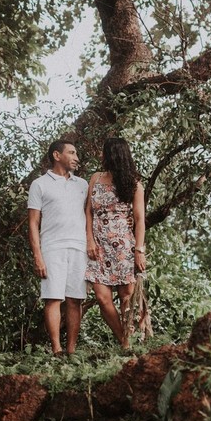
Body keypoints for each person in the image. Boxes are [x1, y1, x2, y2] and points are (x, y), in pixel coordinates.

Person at [27, 139, 89, 356]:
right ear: (56, 155)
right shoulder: (39, 184)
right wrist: (38, 255)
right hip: (52, 247)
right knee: (53, 297)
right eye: (71, 153)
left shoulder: (82, 184)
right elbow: (33, 223)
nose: (76, 158)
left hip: (79, 247)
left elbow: (92, 216)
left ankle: (71, 350)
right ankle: (56, 350)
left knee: (75, 299)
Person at [84, 137, 146, 350]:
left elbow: (139, 219)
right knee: (102, 298)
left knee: (126, 297)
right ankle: (124, 340)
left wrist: (139, 250)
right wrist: (89, 240)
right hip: (98, 246)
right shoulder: (96, 178)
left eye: (104, 152)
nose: (101, 155)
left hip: (124, 247)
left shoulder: (134, 184)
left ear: (113, 154)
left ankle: (127, 343)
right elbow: (88, 212)